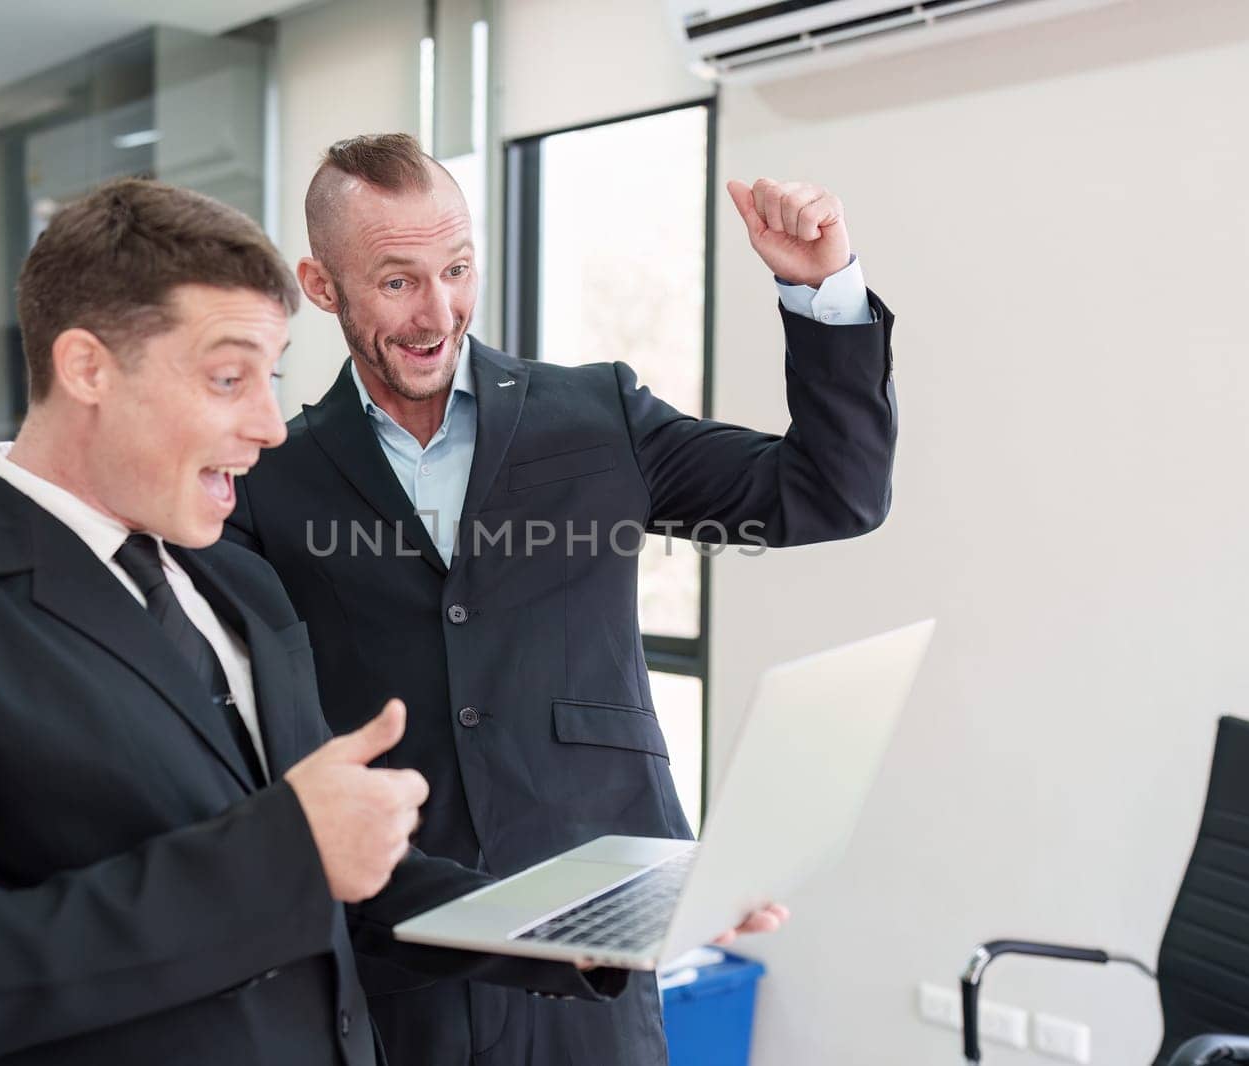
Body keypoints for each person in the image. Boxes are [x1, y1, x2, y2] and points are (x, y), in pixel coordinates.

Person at [0, 178, 628, 1066]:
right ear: (87, 368)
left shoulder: (239, 585)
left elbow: (342, 889)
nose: (269, 426)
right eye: (227, 378)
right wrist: (286, 853)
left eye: (272, 378)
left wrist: (578, 930)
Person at [223, 132, 886, 1065]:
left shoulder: (595, 412)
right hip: (402, 962)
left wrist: (819, 292)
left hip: (597, 946)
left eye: (457, 268)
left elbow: (830, 494)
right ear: (323, 286)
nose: (438, 310)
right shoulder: (267, 477)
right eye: (398, 280)